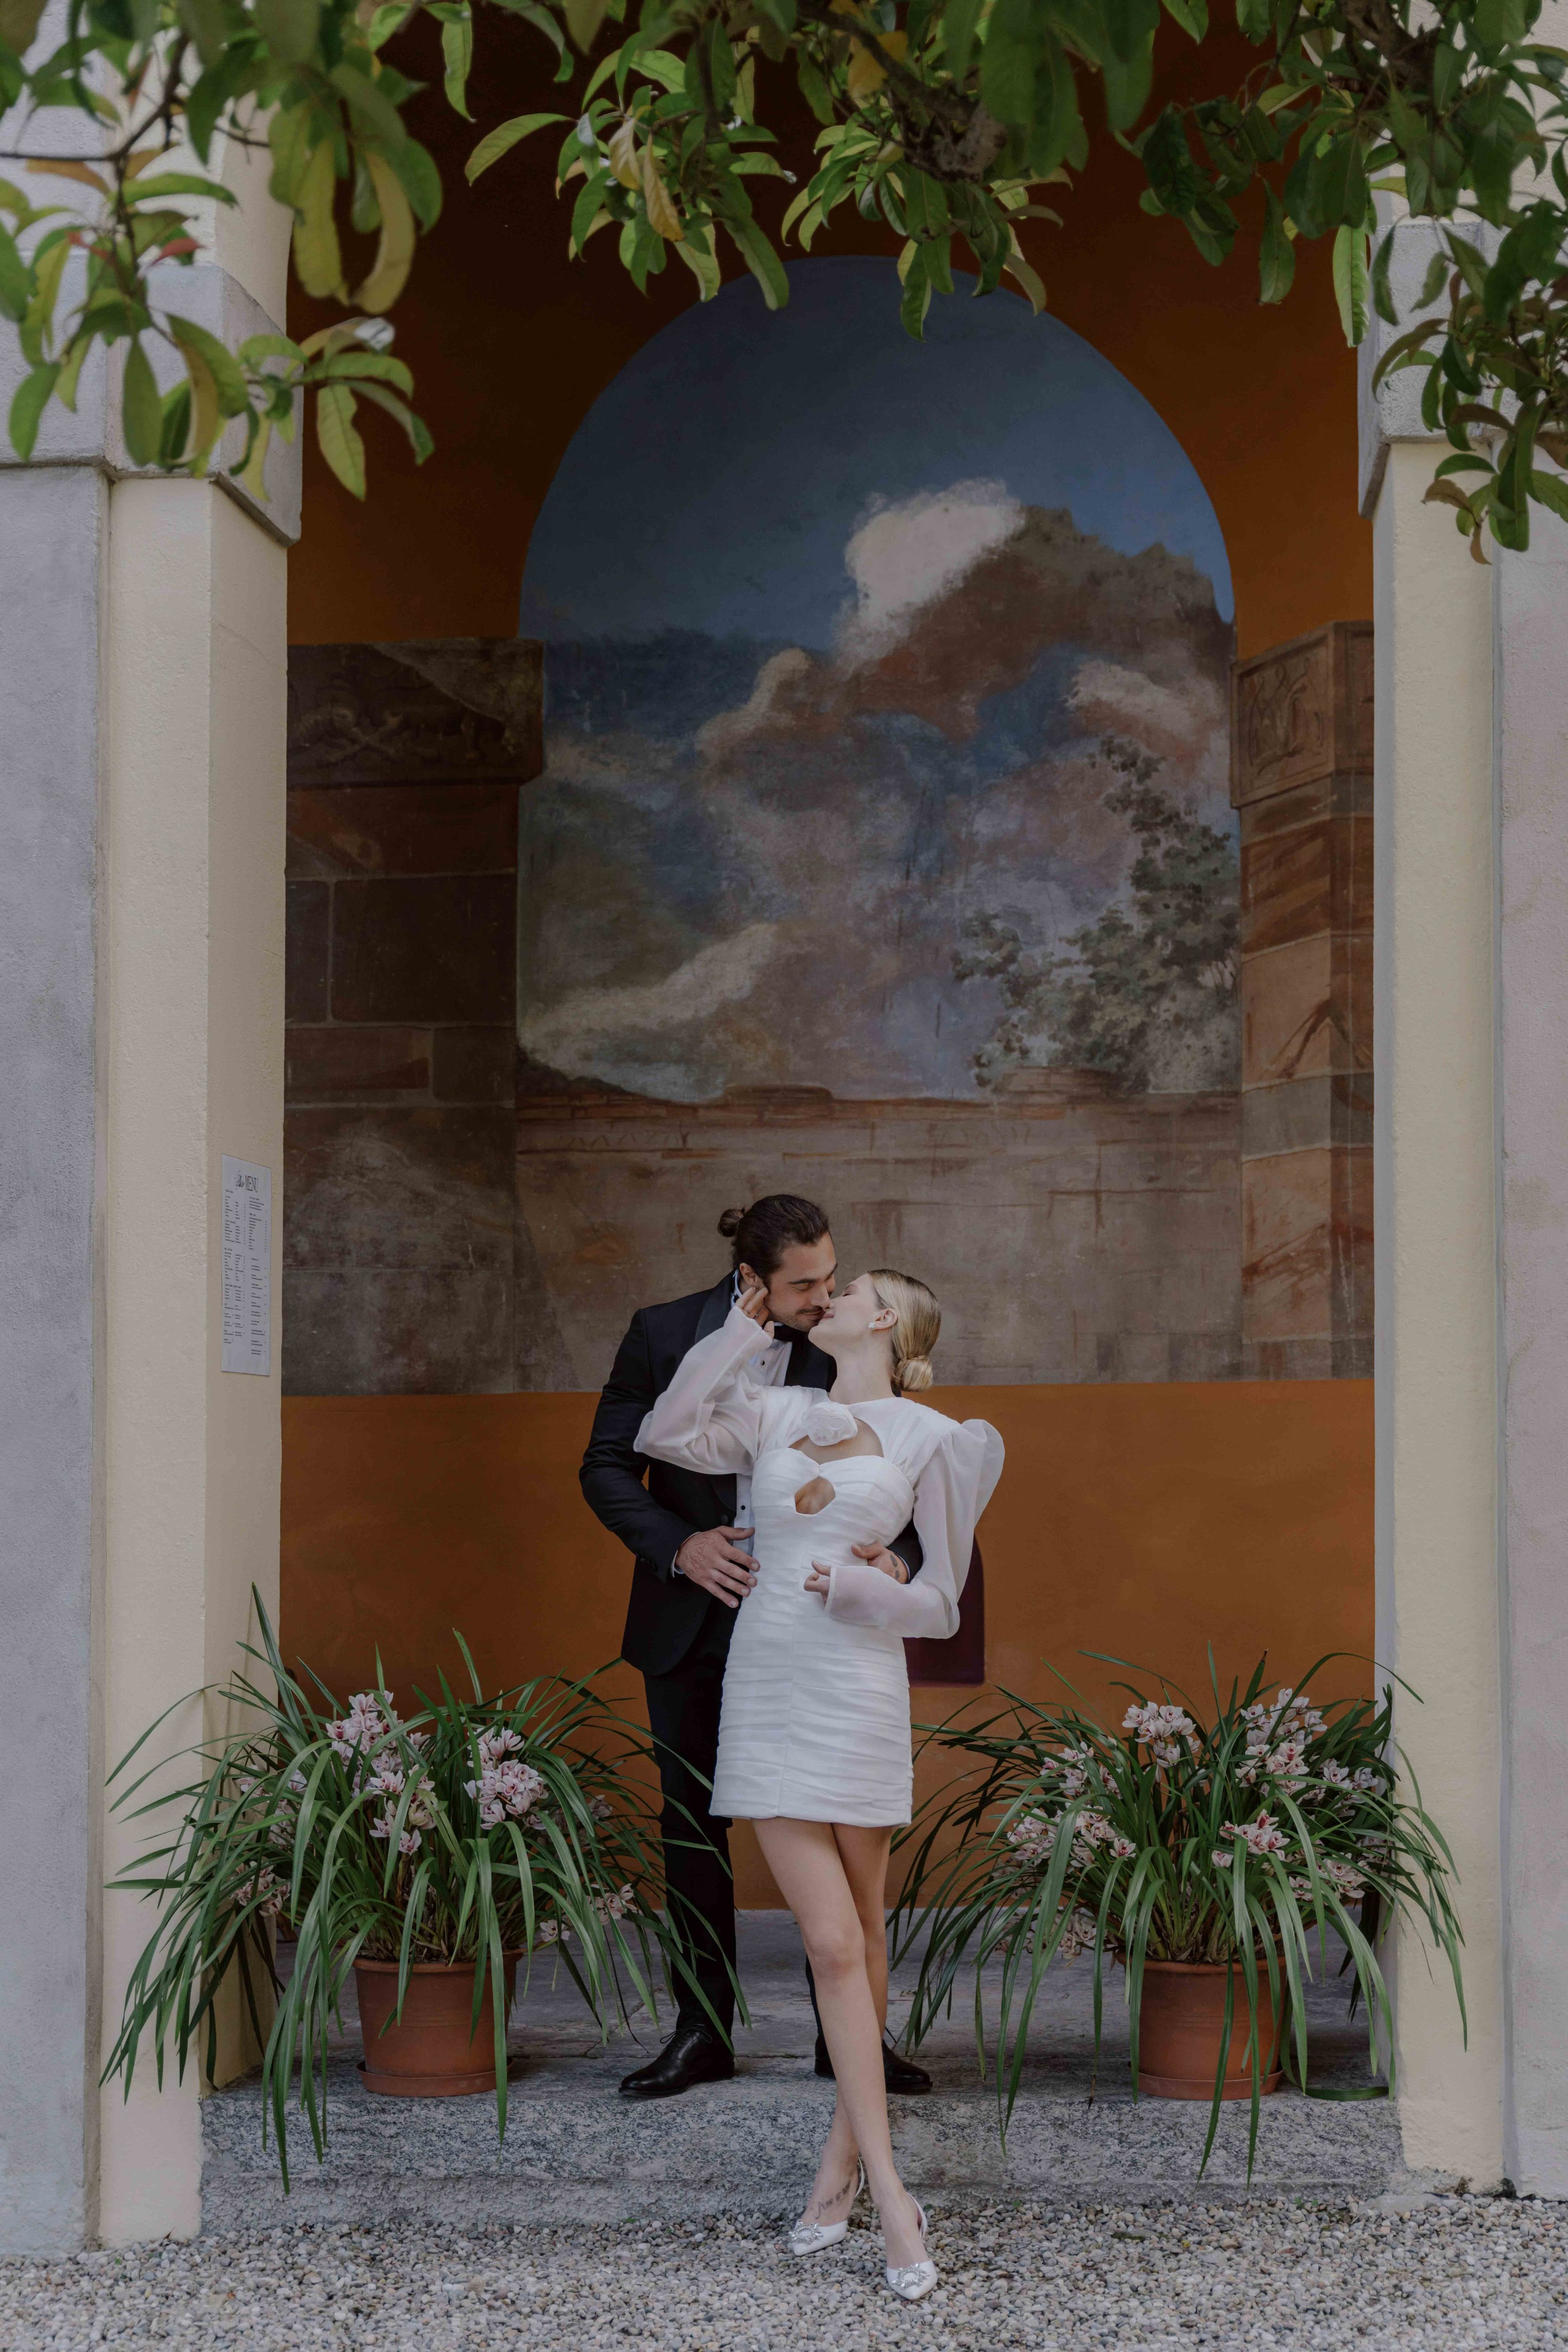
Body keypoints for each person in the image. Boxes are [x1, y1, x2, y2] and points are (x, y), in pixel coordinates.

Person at [637, 1262, 1003, 2303]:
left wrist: (855, 1583)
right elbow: (666, 1432)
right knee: (833, 1943)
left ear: (884, 1320)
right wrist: (743, 1330)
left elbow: (939, 1602)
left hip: (857, 1687)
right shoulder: (774, 1404)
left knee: (868, 1936)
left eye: (848, 1288)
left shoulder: (938, 1440)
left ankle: (838, 2170)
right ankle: (892, 2193)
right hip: (766, 1681)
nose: (827, 1293)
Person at [579, 1196, 932, 2101]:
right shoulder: (662, 1334)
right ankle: (701, 2029)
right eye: (802, 1284)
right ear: (753, 1281)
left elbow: (909, 1484)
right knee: (692, 1824)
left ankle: (847, 2038)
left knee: (844, 1825)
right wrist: (678, 1546)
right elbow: (610, 1465)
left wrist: (893, 1558)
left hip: (815, 1619)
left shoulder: (847, 1338)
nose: (822, 1298)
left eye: (829, 1276)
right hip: (692, 1613)